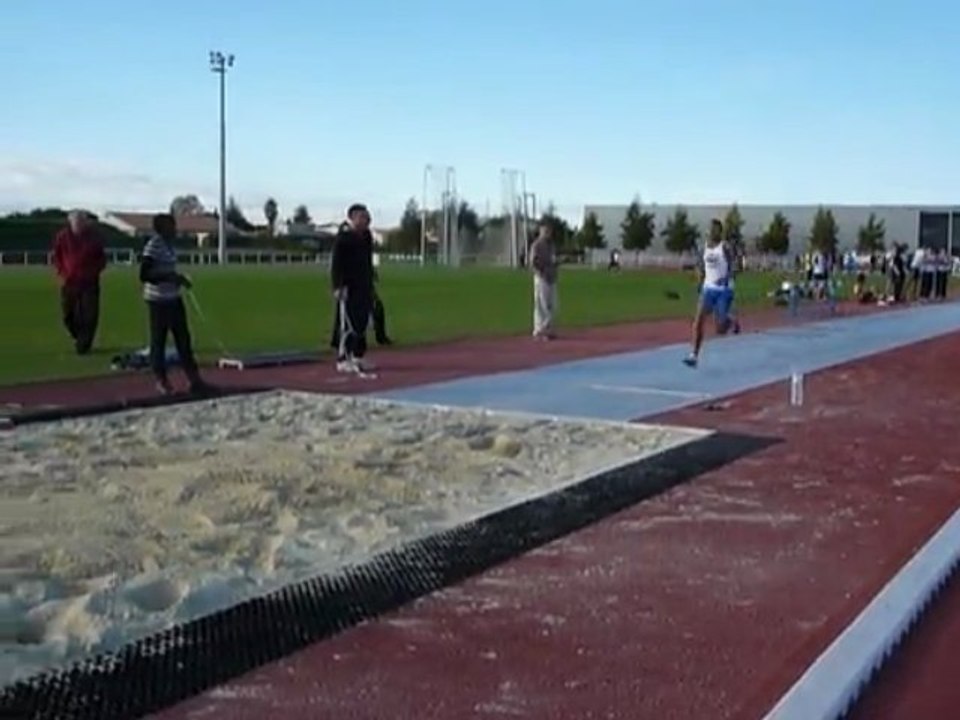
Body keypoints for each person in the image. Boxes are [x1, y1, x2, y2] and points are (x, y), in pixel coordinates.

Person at [139, 214, 210, 396]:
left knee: (183, 340)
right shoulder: (153, 246)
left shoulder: (169, 246)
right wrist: (170, 278)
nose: (176, 229)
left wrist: (179, 279)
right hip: (158, 300)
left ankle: (194, 380)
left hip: (173, 297)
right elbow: (145, 274)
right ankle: (161, 381)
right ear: (162, 228)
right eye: (172, 226)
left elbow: (167, 269)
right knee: (159, 341)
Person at [683, 219, 738, 368]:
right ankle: (693, 355)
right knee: (698, 320)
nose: (712, 232)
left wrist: (725, 278)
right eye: (710, 229)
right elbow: (701, 267)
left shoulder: (725, 247)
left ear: (720, 231)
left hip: (724, 290)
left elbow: (735, 267)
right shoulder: (704, 248)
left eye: (715, 229)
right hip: (708, 289)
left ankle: (730, 320)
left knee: (720, 329)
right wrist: (699, 282)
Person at [52, 210, 107, 355]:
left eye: (81, 222)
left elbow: (101, 258)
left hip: (89, 282)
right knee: (67, 314)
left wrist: (94, 272)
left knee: (90, 314)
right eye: (76, 222)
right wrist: (61, 272)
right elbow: (57, 256)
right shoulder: (62, 237)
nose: (79, 225)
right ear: (70, 222)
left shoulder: (94, 238)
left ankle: (84, 345)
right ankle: (79, 336)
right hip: (69, 282)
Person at [331, 203, 376, 373]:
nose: (367, 220)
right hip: (348, 286)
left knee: (362, 321)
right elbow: (336, 263)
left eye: (367, 217)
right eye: (363, 217)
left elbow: (367, 261)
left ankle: (358, 355)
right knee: (347, 323)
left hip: (364, 284)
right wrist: (338, 286)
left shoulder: (366, 237)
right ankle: (343, 357)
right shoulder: (343, 238)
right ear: (353, 217)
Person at [529, 220, 558, 340]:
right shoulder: (536, 245)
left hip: (552, 277)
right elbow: (532, 262)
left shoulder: (551, 245)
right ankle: (540, 330)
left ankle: (547, 328)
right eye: (545, 231)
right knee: (542, 305)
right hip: (542, 278)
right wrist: (541, 273)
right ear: (540, 231)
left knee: (553, 305)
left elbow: (553, 260)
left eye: (549, 231)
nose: (548, 233)